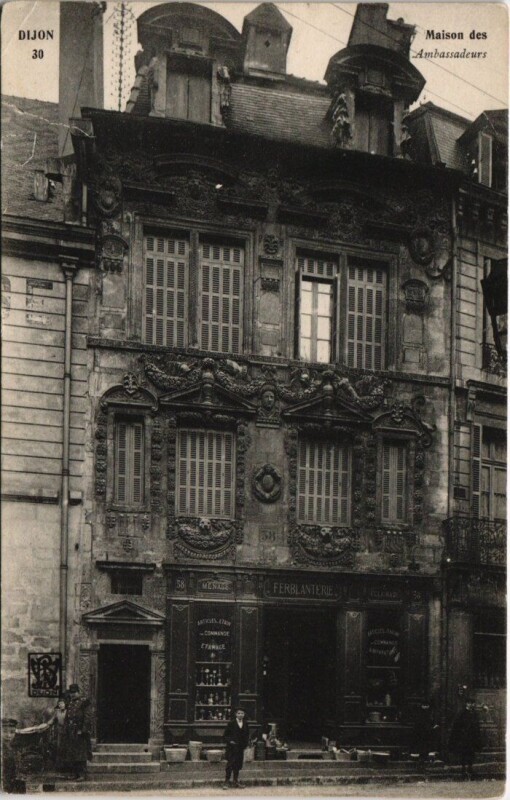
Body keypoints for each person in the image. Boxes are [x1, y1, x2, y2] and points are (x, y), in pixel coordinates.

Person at [65, 684, 93, 781]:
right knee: (72, 753)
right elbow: (67, 717)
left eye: (74, 692)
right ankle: (75, 774)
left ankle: (82, 774)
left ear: (78, 692)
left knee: (81, 753)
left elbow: (87, 717)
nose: (72, 694)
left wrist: (83, 730)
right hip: (71, 731)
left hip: (80, 731)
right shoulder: (70, 702)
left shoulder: (84, 702)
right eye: (71, 692)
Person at [449, 699, 482, 779]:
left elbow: (477, 725)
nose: (471, 705)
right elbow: (457, 725)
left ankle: (470, 768)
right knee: (464, 753)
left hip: (472, 737)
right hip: (464, 737)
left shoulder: (474, 713)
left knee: (471, 753)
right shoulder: (462, 713)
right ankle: (463, 770)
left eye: (472, 703)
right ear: (467, 704)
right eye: (469, 703)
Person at [222, 708, 250, 789]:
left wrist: (245, 744)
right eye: (239, 713)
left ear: (244, 714)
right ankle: (226, 782)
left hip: (240, 748)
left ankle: (235, 781)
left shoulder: (245, 723)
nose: (240, 715)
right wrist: (230, 741)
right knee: (230, 764)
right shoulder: (231, 723)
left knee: (238, 764)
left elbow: (247, 735)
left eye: (242, 713)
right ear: (236, 714)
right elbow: (225, 735)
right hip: (232, 748)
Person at [50, 698, 69, 772]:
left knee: (66, 748)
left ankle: (67, 767)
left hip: (67, 732)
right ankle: (59, 766)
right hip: (59, 732)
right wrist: (47, 724)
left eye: (62, 703)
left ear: (65, 704)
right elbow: (52, 720)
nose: (61, 705)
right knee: (59, 748)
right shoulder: (57, 712)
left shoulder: (68, 712)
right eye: (59, 704)